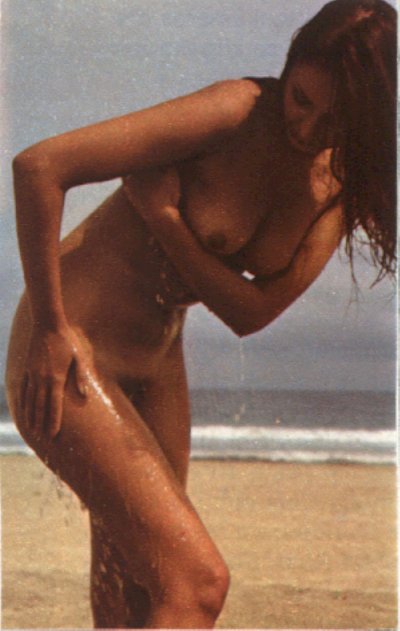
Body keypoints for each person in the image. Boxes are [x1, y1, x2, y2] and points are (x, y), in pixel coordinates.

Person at [6, 0, 396, 628]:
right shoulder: (235, 111)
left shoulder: (338, 189)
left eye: (334, 120)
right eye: (301, 99)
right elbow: (40, 167)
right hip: (70, 346)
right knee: (197, 582)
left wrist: (166, 221)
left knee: (139, 594)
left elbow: (252, 312)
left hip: (159, 363)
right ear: (288, 69)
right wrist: (52, 327)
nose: (306, 128)